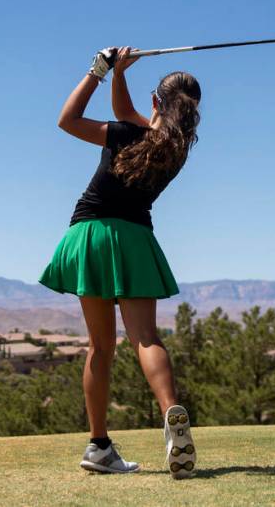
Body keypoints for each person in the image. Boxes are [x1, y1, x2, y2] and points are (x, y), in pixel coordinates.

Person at [38, 46, 202, 480]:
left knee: (101, 347)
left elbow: (67, 121)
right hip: (134, 240)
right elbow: (127, 109)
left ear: (156, 103)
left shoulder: (125, 135)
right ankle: (171, 416)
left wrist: (99, 69)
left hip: (90, 234)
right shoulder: (176, 148)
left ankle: (99, 446)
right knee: (146, 338)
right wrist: (119, 77)